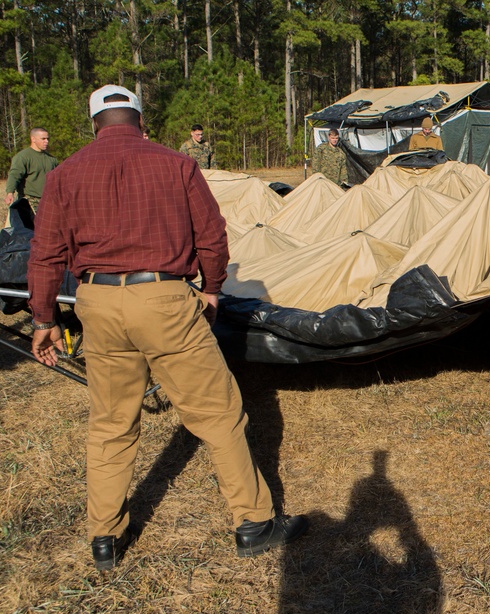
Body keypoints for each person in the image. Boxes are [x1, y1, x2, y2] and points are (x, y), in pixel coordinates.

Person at [27, 85, 307, 571]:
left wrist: (43, 318)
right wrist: (213, 287)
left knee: (111, 424)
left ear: (94, 123)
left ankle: (105, 537)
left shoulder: (65, 172)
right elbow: (212, 233)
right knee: (218, 414)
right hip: (164, 297)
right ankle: (255, 524)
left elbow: (46, 251)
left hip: (97, 301)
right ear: (138, 117)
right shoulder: (176, 164)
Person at [4, 127, 58, 211]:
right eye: (43, 139)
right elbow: (14, 175)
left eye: (47, 139)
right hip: (29, 203)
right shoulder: (23, 157)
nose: (46, 141)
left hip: (49, 202)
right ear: (33, 139)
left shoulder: (52, 159)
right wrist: (10, 193)